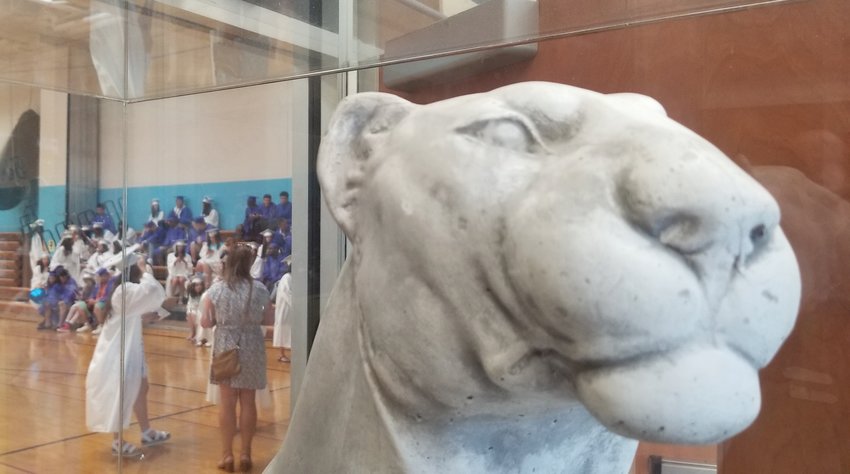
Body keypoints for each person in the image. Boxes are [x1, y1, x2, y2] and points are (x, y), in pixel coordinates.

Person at [85, 249, 173, 457]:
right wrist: (147, 271)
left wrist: (153, 315)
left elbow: (139, 313)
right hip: (118, 351)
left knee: (142, 387)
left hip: (131, 347)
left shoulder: (124, 290)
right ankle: (118, 442)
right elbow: (152, 292)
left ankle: (147, 432)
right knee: (122, 392)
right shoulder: (125, 290)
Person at [201, 245, 273, 472]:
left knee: (228, 402)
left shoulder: (216, 290)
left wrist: (218, 322)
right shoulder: (260, 289)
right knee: (248, 401)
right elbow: (268, 318)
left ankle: (227, 455)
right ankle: (246, 454)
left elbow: (204, 322)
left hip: (225, 345)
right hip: (252, 344)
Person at [272, 265, 292, 363]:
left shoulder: (292, 277)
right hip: (285, 307)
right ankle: (281, 354)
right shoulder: (287, 277)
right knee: (282, 329)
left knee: (287, 329)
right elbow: (287, 293)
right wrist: (295, 304)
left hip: (289, 308)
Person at [185, 275, 211, 346]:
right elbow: (190, 304)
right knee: (189, 313)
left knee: (193, 314)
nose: (199, 287)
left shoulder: (204, 294)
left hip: (201, 310)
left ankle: (197, 334)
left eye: (200, 285)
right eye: (196, 285)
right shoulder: (191, 293)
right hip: (193, 309)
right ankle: (192, 332)